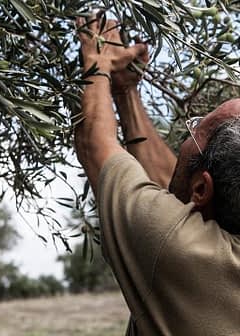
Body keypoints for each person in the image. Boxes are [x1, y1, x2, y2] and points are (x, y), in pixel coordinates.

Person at [75, 16, 240, 336]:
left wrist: (98, 61)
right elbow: (176, 187)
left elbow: (93, 144)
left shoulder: (181, 254)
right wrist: (125, 93)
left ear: (203, 189)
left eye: (194, 130)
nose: (185, 138)